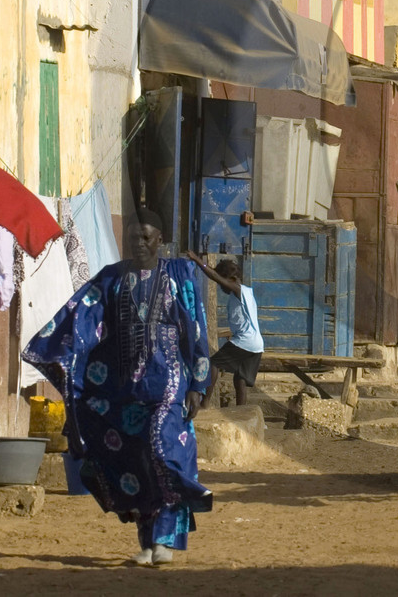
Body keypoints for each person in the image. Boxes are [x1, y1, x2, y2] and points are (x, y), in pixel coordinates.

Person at [22, 209, 213, 566]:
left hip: (169, 382)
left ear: (161, 240)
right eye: (132, 239)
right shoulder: (110, 279)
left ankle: (165, 539)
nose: (139, 244)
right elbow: (81, 320)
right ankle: (148, 541)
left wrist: (198, 383)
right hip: (124, 390)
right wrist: (57, 351)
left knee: (163, 449)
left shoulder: (179, 274)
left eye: (146, 237)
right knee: (135, 462)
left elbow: (197, 329)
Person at [191, 254, 261, 409]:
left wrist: (197, 260)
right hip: (256, 344)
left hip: (245, 341)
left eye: (224, 282)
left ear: (231, 279)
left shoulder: (238, 289)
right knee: (240, 379)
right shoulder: (247, 292)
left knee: (214, 364)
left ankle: (205, 402)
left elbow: (215, 276)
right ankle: (241, 411)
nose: (221, 286)